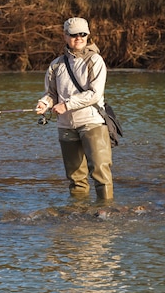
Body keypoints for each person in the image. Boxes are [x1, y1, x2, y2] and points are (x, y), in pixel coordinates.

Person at [35, 17, 114, 200]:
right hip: (65, 126)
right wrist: (44, 104)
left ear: (88, 36)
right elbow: (51, 94)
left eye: (82, 34)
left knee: (100, 172)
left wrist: (67, 105)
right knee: (75, 177)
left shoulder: (95, 61)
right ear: (65, 36)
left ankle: (106, 213)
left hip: (92, 123)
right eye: (73, 35)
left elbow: (94, 94)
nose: (78, 38)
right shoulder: (56, 65)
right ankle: (78, 216)